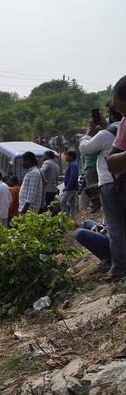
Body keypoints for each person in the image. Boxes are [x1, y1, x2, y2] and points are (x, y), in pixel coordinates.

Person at [81, 103, 124, 282]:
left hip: (109, 183)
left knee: (114, 227)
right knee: (116, 224)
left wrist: (89, 132)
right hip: (120, 183)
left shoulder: (105, 134)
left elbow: (85, 148)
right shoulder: (119, 130)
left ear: (111, 114)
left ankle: (119, 267)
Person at [61, 150, 79, 217]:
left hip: (70, 188)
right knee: (72, 204)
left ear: (71, 157)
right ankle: (72, 218)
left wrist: (67, 187)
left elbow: (73, 177)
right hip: (72, 187)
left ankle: (67, 218)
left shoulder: (73, 165)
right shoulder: (71, 164)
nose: (66, 157)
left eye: (67, 156)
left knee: (62, 203)